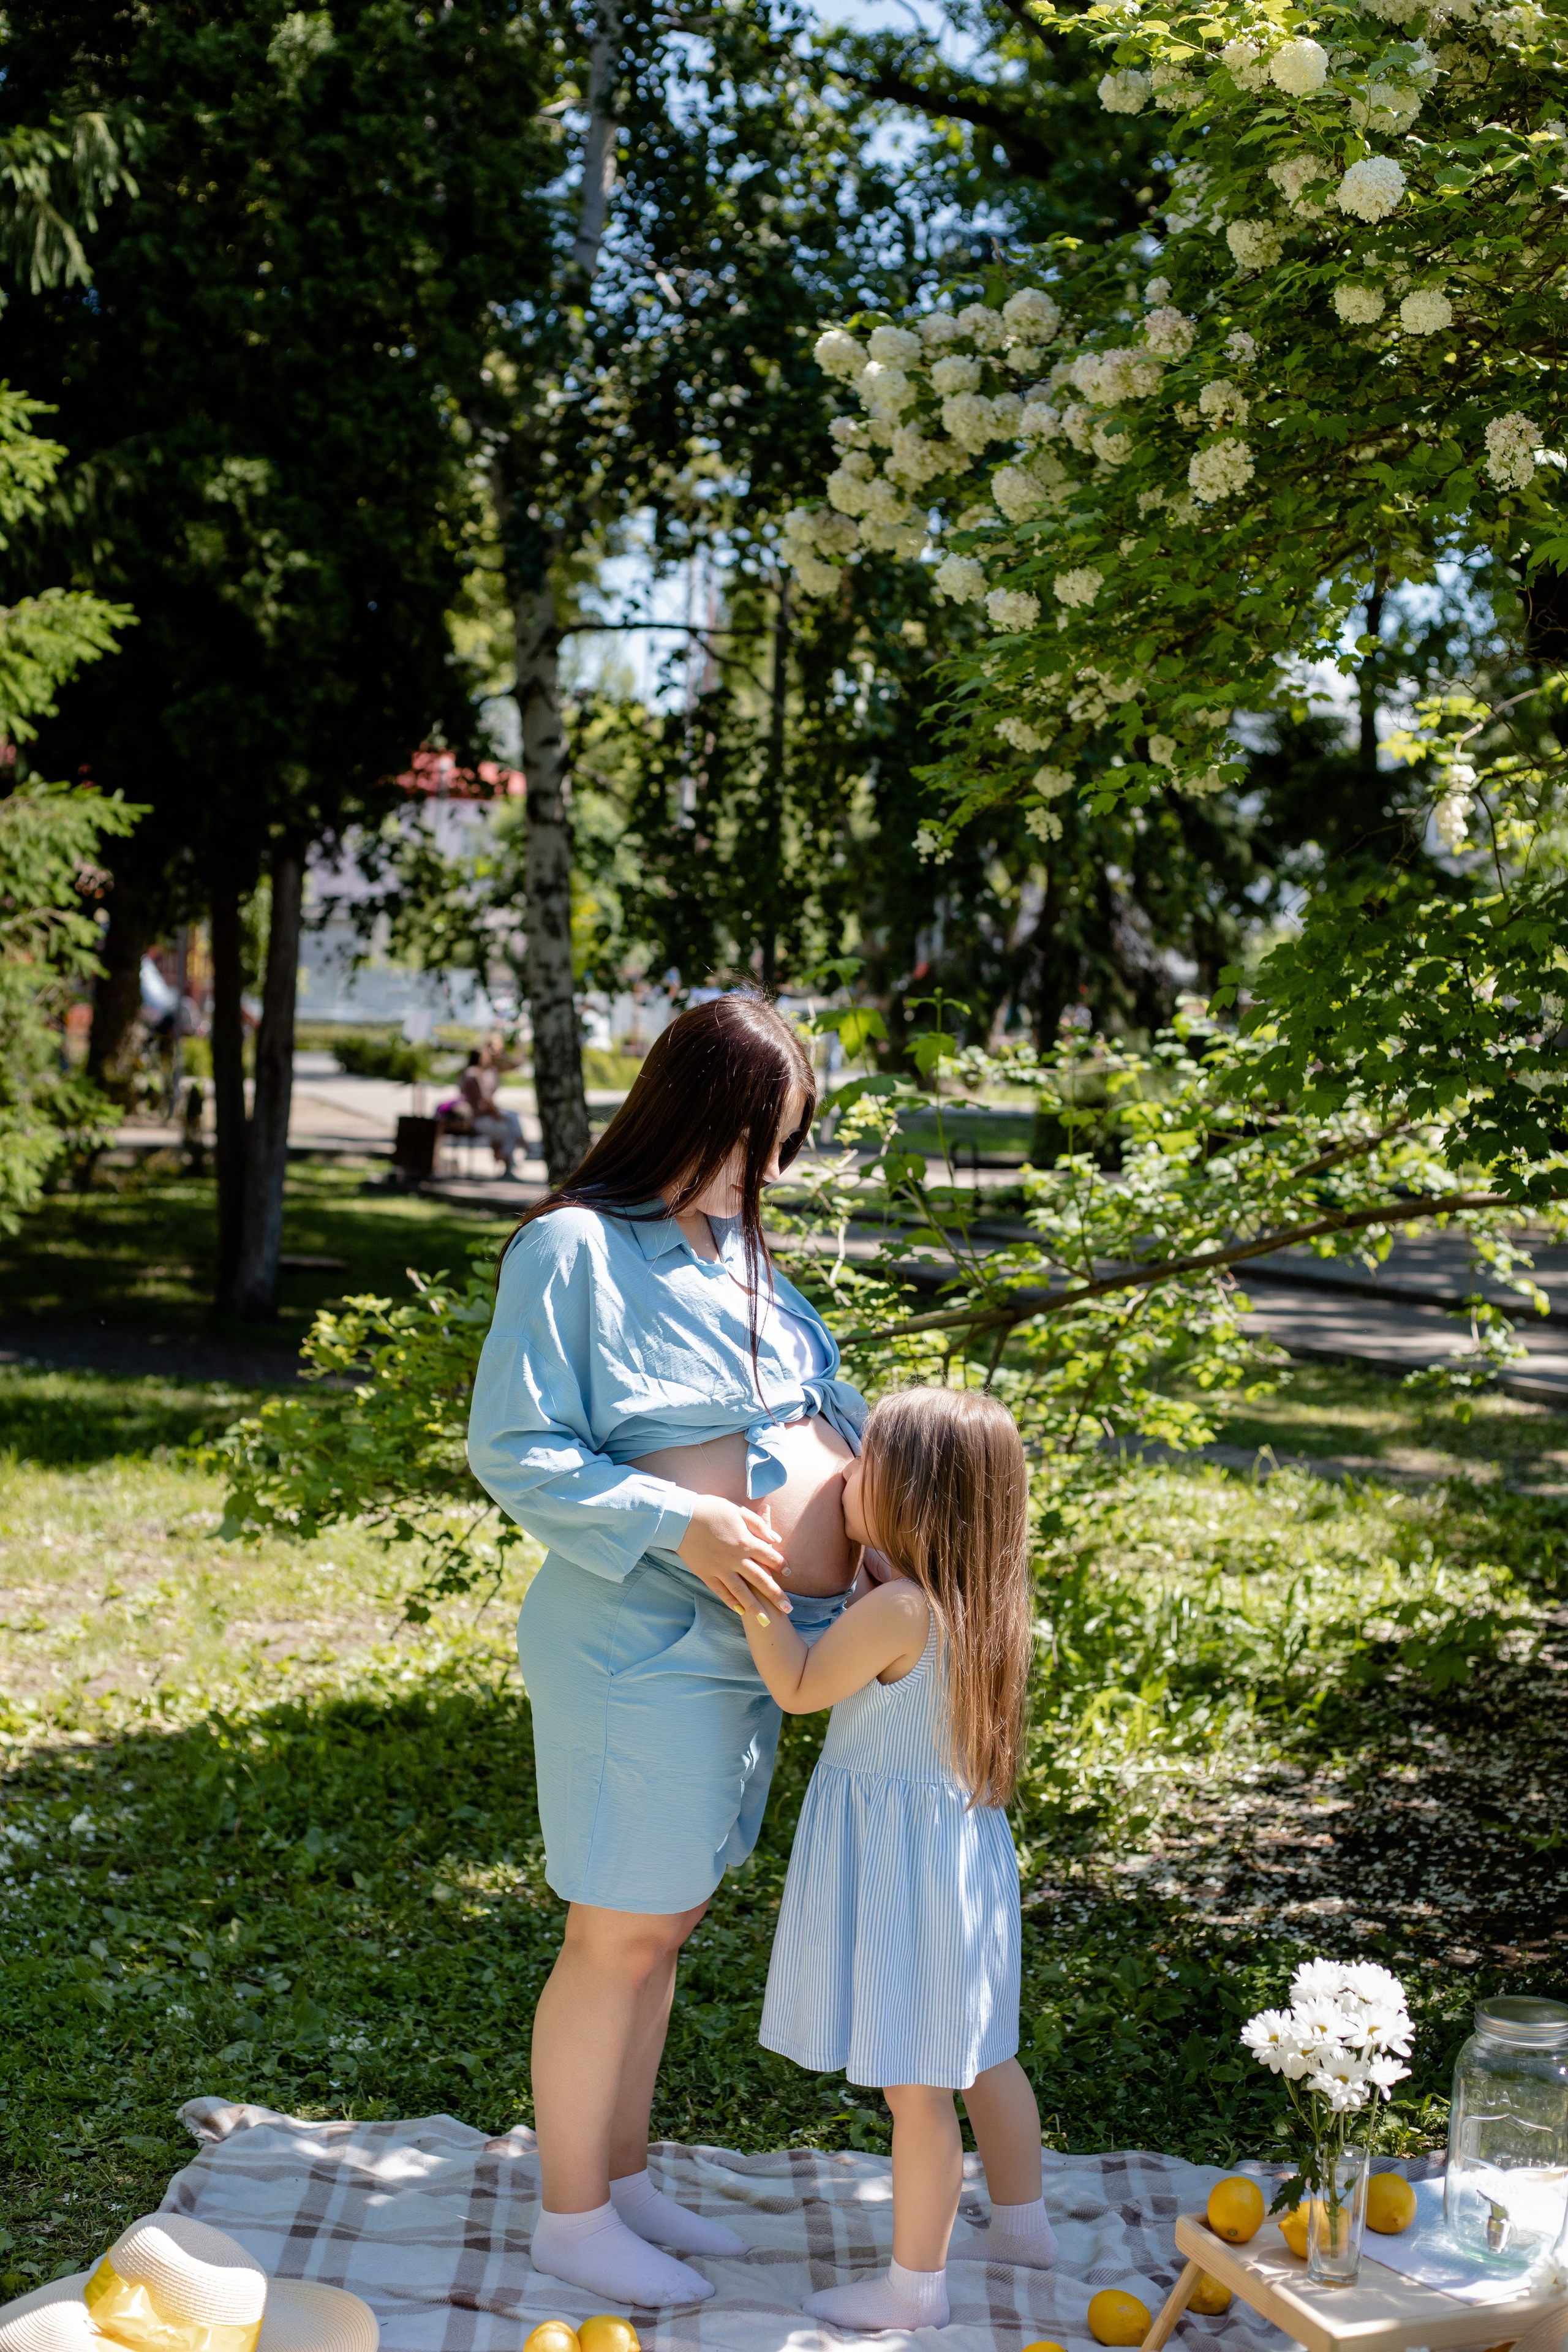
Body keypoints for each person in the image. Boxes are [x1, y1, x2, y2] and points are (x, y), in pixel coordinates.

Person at [466, 995, 870, 2309]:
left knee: (666, 1923)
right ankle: (569, 2219)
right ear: (689, 1114)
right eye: (753, 1143)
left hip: (744, 1645)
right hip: (634, 1641)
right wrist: (680, 1518)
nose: (765, 1175)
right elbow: (515, 1451)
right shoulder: (571, 1250)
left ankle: (622, 2175)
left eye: (782, 1150)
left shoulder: (741, 1249)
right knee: (616, 1933)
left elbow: (819, 1410)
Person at [744, 1387, 1058, 2332]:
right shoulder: (979, 1607)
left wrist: (752, 1591)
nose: (843, 1471)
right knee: (983, 2054)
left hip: (900, 1872)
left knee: (914, 2088)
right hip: (956, 1862)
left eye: (866, 1461)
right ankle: (1025, 2226)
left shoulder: (901, 1613)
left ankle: (914, 2290)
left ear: (915, 1498)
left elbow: (798, 1687)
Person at [459, 1038, 524, 1176]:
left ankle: (509, 1162)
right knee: (509, 1131)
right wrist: (496, 1115)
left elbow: (516, 1064)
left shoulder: (487, 1071)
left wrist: (502, 1054)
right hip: (480, 1117)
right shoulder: (474, 1073)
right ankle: (509, 1158)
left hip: (485, 1115)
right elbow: (484, 1100)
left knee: (512, 1121)